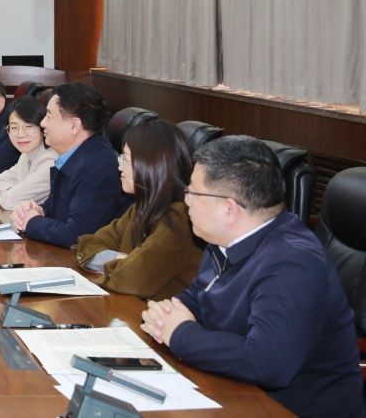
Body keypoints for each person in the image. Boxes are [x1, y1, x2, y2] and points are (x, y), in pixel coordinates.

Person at [141, 136, 363, 417]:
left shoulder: (292, 263)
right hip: (232, 390)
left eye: (192, 193)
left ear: (229, 209)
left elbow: (269, 363)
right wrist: (167, 314)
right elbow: (201, 294)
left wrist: (180, 334)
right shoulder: (225, 240)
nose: (186, 202)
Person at [73, 120, 201, 300]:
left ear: (149, 164)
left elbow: (130, 279)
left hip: (158, 314)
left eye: (125, 159)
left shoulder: (179, 219)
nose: (119, 167)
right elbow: (87, 245)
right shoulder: (143, 206)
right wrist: (123, 260)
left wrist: (123, 264)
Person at [11, 83, 128, 247]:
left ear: (74, 125)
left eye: (49, 116)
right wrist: (38, 210)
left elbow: (77, 236)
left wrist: (32, 221)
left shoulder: (96, 166)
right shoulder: (76, 155)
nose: (42, 123)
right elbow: (57, 209)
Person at [0, 97, 58, 210]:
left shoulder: (51, 161)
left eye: (29, 126)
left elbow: (9, 201)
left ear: (42, 127)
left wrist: (15, 192)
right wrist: (16, 189)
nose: (20, 134)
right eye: (14, 127)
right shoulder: (26, 156)